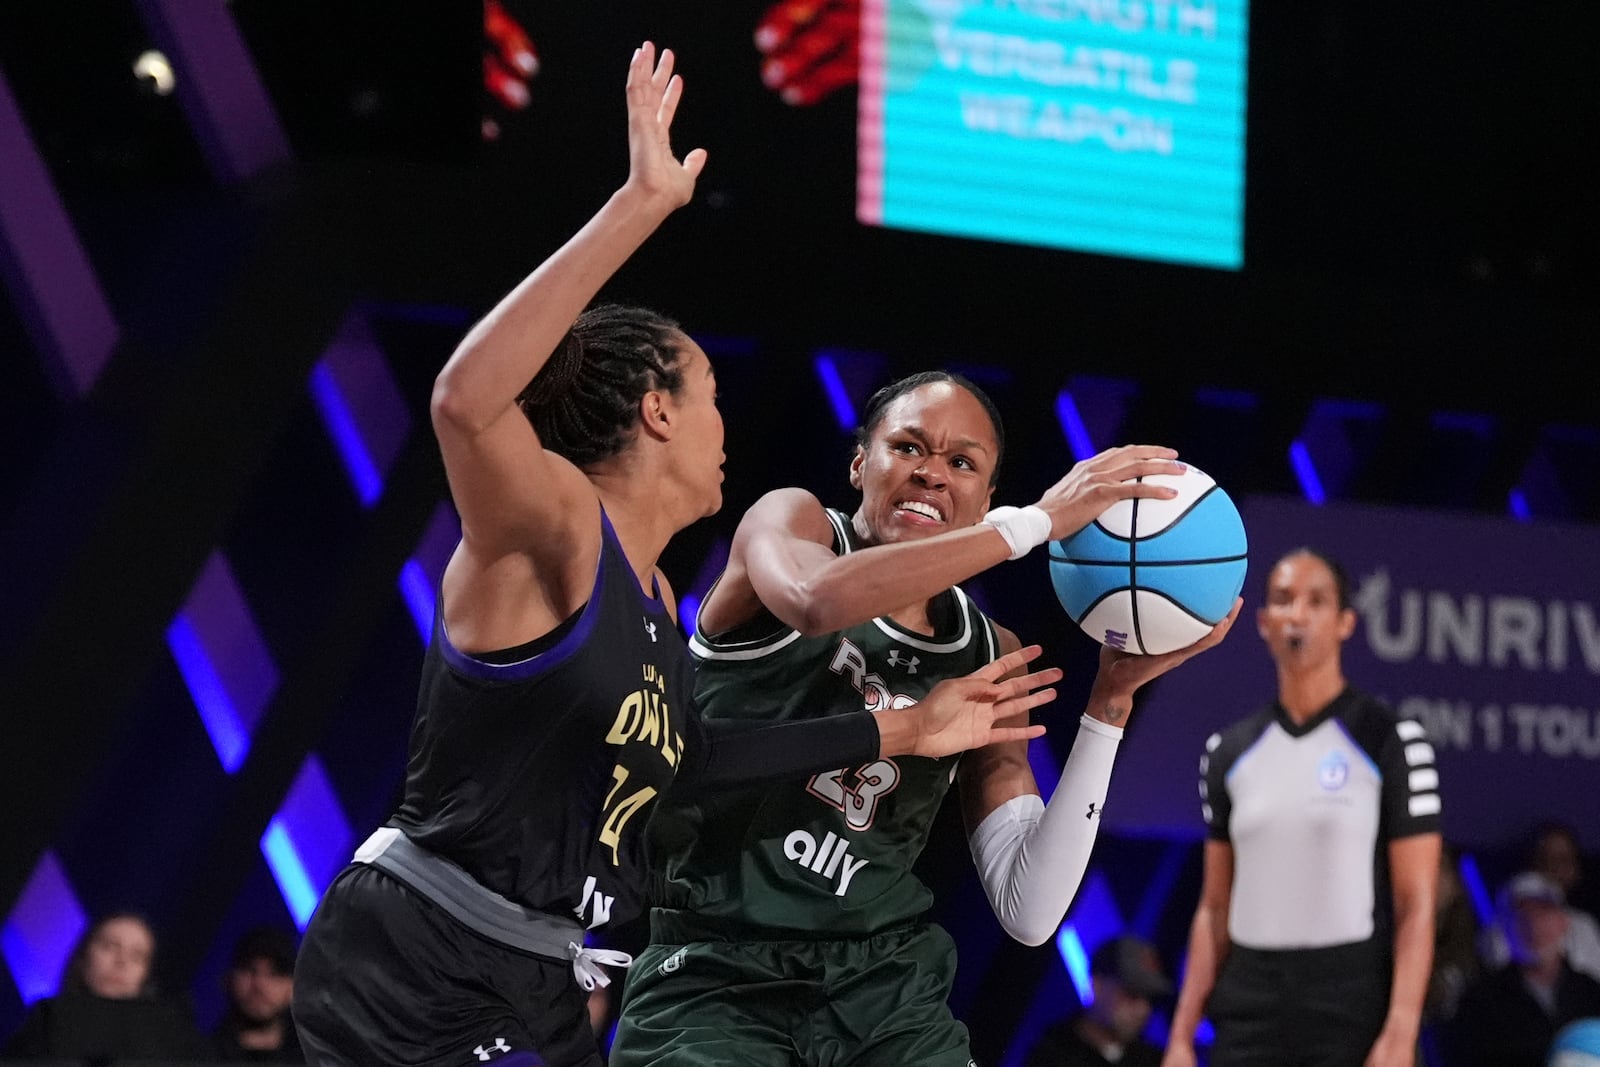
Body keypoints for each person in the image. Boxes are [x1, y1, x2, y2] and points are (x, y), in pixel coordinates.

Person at [291, 43, 1059, 1067]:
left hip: (540, 966)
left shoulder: (652, 593)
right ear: (657, 409)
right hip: (423, 949)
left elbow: (694, 752)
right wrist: (639, 207)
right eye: (707, 396)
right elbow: (463, 400)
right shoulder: (557, 526)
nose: (724, 426)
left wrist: (903, 726)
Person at [609, 369, 1239, 1067]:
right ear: (860, 463)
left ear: (983, 500)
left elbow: (1030, 911)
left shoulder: (985, 651)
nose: (933, 474)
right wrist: (1033, 524)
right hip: (714, 972)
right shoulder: (794, 523)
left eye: (961, 462)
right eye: (909, 447)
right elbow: (816, 600)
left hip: (882, 991)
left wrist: (1108, 708)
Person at [1163, 548, 1444, 1067]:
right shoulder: (1227, 750)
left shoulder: (1392, 739)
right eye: (1284, 600)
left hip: (1350, 1003)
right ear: (1264, 623)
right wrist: (1181, 1034)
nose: (1298, 614)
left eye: (1317, 602)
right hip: (1248, 1005)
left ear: (1345, 623)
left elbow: (1416, 904)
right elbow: (1215, 906)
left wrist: (1401, 1032)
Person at [1444, 872, 1600, 1067]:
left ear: (1563, 921)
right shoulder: (1479, 1001)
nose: (1534, 926)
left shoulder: (1592, 993)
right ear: (1504, 928)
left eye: (1543, 913)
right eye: (1521, 916)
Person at [2, 911, 205, 1060]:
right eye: (110, 946)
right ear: (83, 956)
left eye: (137, 956)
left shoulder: (169, 1043)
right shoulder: (49, 1017)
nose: (122, 961)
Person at [1025, 934, 1173, 1067]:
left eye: (1151, 999)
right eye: (1132, 993)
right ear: (1097, 985)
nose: (1143, 1009)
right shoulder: (1053, 1052)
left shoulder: (1157, 1062)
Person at [1484, 823, 1600, 982]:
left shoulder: (1583, 925)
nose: (1557, 866)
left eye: (1564, 859)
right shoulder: (1501, 925)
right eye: (1547, 858)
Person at [214, 926, 304, 1061]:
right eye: (249, 969)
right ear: (228, 979)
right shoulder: (193, 1056)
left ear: (293, 987)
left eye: (274, 973)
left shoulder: (313, 1059)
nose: (259, 984)